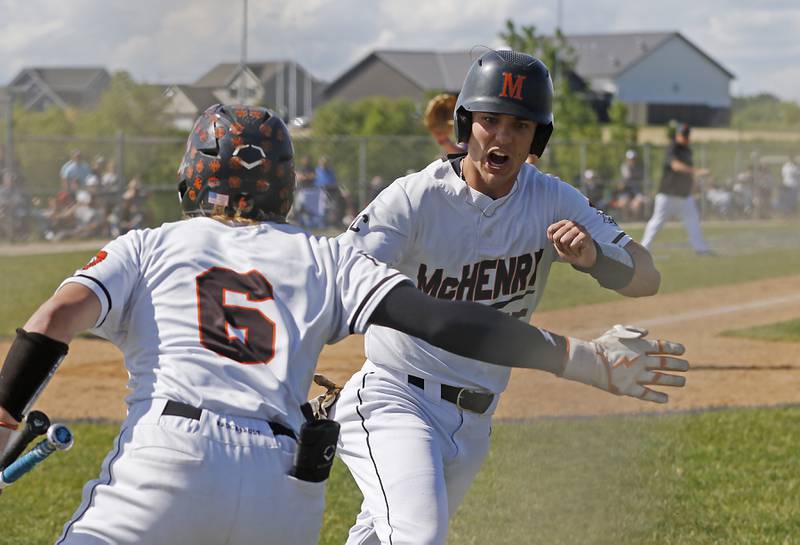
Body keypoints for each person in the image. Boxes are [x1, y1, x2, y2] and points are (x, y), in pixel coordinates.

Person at [0, 104, 687, 545]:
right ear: (287, 184)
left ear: (191, 180)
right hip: (285, 482)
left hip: (171, 454)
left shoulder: (148, 244)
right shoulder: (323, 255)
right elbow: (449, 321)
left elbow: (57, 316)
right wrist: (584, 359)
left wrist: (5, 410)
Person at [333, 49, 665, 545]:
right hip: (395, 397)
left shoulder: (552, 199)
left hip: (476, 417)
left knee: (380, 538)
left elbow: (646, 275)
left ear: (538, 138)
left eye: (520, 125)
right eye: (490, 120)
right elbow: (338, 275)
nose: (503, 137)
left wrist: (595, 257)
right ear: (466, 125)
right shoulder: (416, 196)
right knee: (418, 535)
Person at [640, 123, 713, 255]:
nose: (686, 137)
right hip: (668, 194)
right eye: (683, 135)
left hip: (684, 195)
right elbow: (675, 166)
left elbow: (688, 173)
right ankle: (644, 248)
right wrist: (697, 171)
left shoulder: (687, 150)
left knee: (693, 221)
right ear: (678, 135)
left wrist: (694, 185)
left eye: (687, 135)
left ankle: (701, 249)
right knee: (657, 222)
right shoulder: (672, 148)